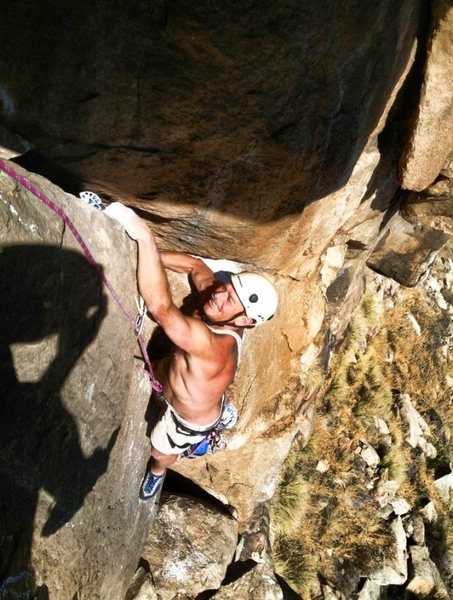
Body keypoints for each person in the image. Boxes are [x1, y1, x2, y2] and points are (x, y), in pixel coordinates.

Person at [105, 203, 278, 499]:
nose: (220, 295)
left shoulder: (214, 346)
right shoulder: (222, 301)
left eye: (230, 300)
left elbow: (161, 308)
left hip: (187, 418)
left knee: (160, 449)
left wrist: (143, 238)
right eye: (227, 288)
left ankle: (159, 473)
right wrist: (150, 259)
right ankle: (214, 408)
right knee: (161, 368)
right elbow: (196, 267)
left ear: (245, 321)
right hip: (172, 373)